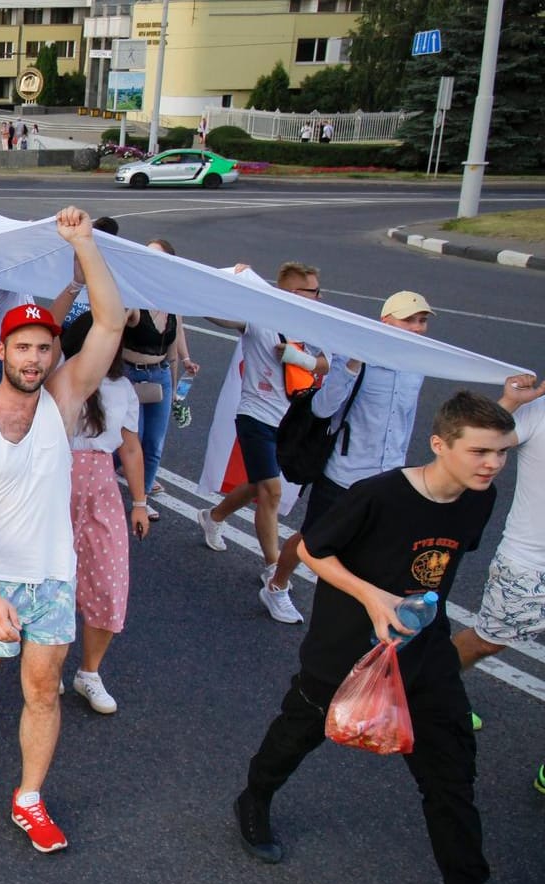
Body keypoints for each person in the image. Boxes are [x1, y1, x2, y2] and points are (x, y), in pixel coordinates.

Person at [233, 393, 538, 884]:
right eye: (479, 451)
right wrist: (374, 599)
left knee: (451, 782)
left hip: (426, 659)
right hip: (344, 650)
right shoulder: (377, 495)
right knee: (300, 732)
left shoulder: (478, 499)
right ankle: (255, 798)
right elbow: (313, 549)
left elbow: (437, 571)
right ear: (439, 445)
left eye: (501, 452)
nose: (492, 464)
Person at [0, 206, 125, 854]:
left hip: (52, 576)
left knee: (41, 686)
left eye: (44, 347)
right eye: (23, 347)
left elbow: (112, 322)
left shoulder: (63, 400)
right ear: (0, 349)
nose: (34, 358)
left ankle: (29, 797)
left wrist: (84, 245)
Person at [265, 292, 433, 601]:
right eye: (409, 320)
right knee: (312, 541)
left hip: (388, 476)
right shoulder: (356, 358)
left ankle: (356, 606)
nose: (418, 328)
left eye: (421, 321)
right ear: (386, 322)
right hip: (345, 474)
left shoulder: (416, 366)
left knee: (373, 547)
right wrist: (352, 363)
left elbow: (406, 421)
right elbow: (322, 409)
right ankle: (277, 584)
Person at [197, 262, 332, 624]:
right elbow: (217, 315)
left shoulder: (314, 324)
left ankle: (213, 515)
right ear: (290, 292)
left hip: (291, 420)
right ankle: (274, 573)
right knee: (270, 491)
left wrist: (302, 357)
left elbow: (327, 362)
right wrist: (230, 280)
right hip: (255, 415)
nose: (320, 297)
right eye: (312, 291)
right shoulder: (259, 318)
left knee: (260, 484)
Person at [452, 374, 545, 752]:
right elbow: (475, 443)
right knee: (486, 643)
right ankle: (424, 687)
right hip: (529, 564)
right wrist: (509, 402)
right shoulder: (536, 412)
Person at [65, 345, 150, 714]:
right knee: (52, 580)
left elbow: (130, 449)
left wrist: (140, 502)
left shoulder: (122, 388)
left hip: (102, 487)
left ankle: (89, 672)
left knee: (108, 579)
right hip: (57, 482)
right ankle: (47, 665)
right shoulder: (63, 377)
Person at [118, 240, 198, 508]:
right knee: (130, 439)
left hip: (160, 374)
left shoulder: (171, 304)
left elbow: (173, 349)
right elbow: (112, 327)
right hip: (130, 376)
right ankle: (102, 478)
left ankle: (141, 499)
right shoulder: (132, 299)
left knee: (154, 443)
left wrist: (174, 389)